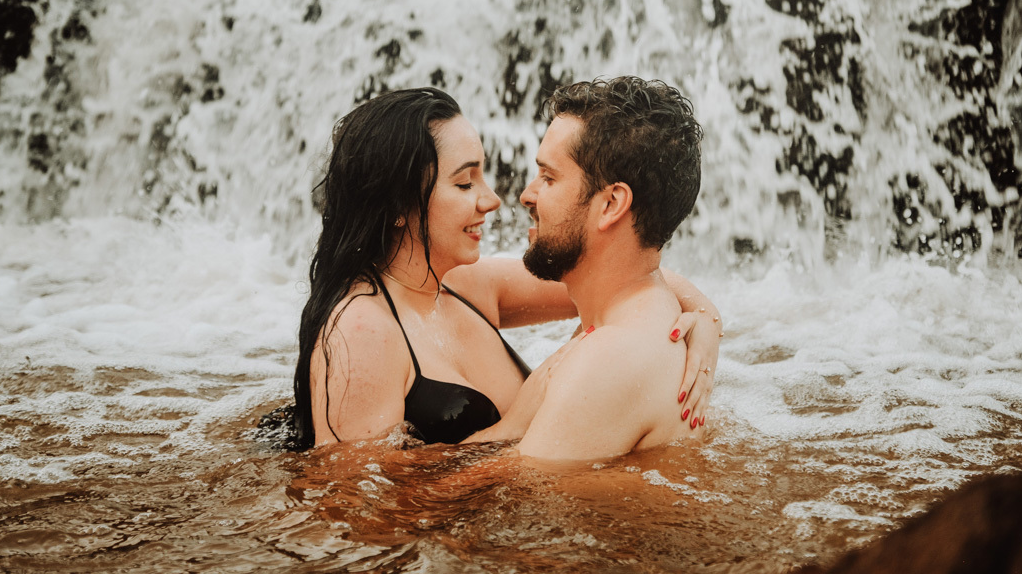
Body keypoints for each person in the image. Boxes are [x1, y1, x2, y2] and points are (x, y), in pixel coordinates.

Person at [293, 87, 720, 449]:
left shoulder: (463, 285)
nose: (494, 200)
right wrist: (515, 426)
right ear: (399, 206)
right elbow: (352, 509)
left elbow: (613, 273)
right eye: (464, 183)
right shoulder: (362, 332)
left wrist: (705, 319)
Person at [464, 77, 708, 460]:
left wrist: (512, 424)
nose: (526, 194)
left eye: (548, 177)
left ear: (611, 204)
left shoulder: (608, 358)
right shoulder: (647, 315)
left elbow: (459, 506)